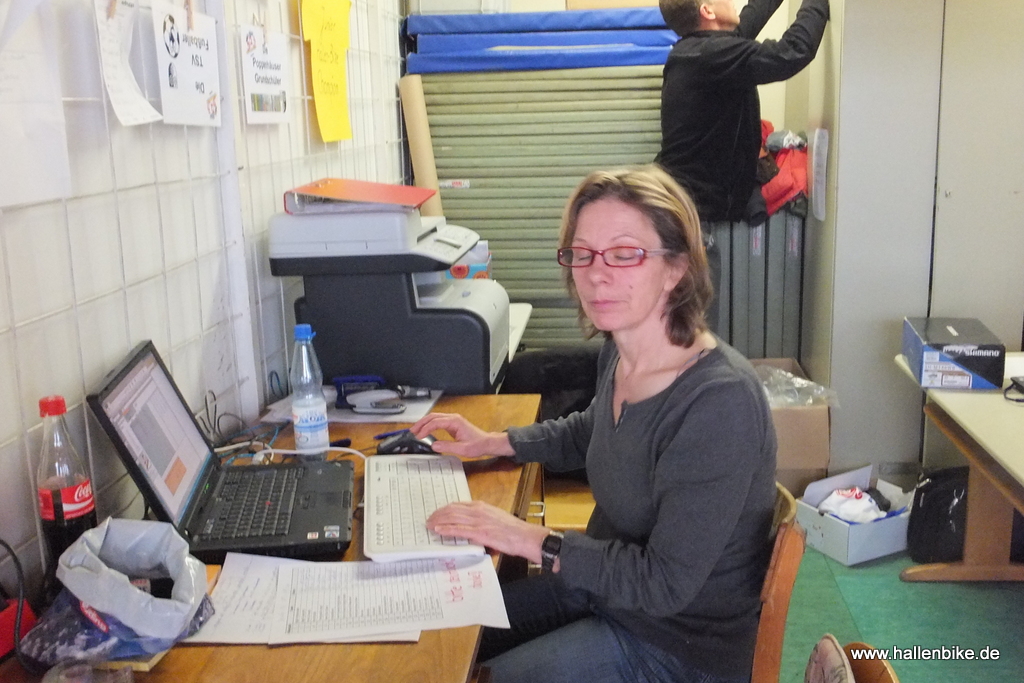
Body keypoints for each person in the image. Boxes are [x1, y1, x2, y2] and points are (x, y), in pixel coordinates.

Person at [412, 165, 778, 683]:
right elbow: (592, 431)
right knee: (438, 632)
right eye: (582, 253)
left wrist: (533, 539)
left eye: (625, 254)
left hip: (675, 645)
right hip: (607, 591)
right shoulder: (621, 352)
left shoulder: (720, 402)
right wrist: (495, 441)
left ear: (676, 268)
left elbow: (663, 583)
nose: (596, 273)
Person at [655, 0, 830, 333]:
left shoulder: (702, 52)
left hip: (683, 213)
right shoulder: (711, 56)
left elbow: (748, 19)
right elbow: (792, 52)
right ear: (707, 11)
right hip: (688, 222)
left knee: (690, 329)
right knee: (695, 333)